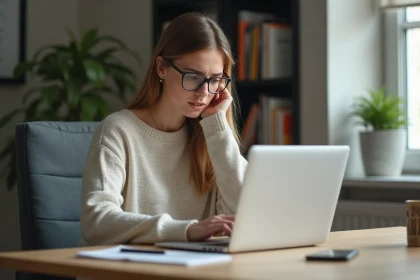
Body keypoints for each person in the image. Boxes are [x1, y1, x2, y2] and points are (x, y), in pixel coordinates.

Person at [79, 12, 248, 246]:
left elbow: (246, 214)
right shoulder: (119, 130)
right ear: (161, 68)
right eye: (193, 76)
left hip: (189, 268)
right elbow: (96, 221)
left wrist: (218, 128)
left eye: (215, 79)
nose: (204, 92)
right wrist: (187, 230)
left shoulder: (210, 138)